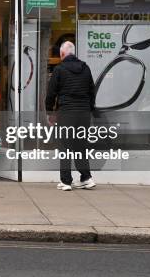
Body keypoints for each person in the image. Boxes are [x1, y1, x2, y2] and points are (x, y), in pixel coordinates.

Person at [45, 41, 96, 191]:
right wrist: (90, 109)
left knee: (65, 146)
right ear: (73, 52)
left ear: (62, 54)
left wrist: (49, 112)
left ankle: (66, 181)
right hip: (83, 113)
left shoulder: (59, 69)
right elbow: (92, 91)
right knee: (81, 146)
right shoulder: (85, 68)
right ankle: (86, 178)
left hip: (67, 112)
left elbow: (51, 93)